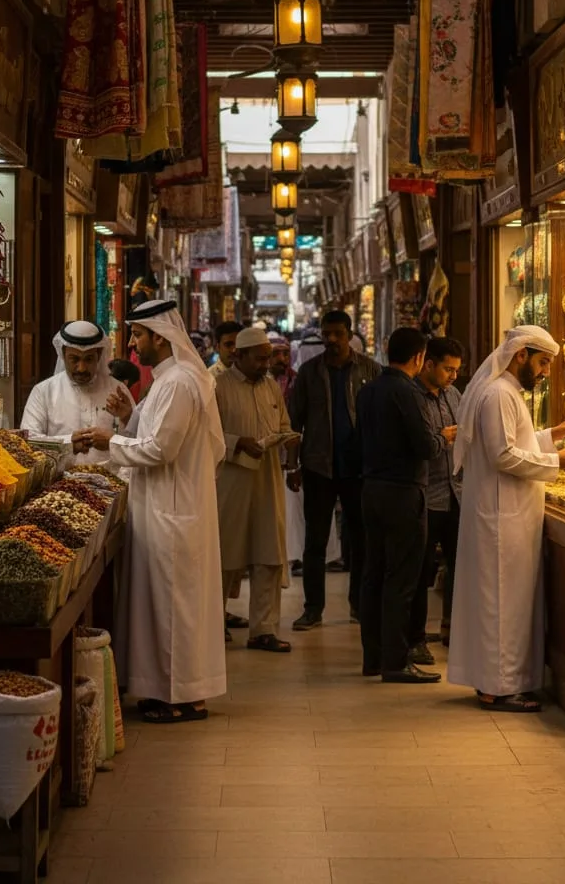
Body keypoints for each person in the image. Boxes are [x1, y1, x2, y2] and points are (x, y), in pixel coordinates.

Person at [86, 299, 228, 723]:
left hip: (172, 511)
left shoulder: (180, 382)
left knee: (172, 606)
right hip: (164, 507)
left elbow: (161, 449)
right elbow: (153, 432)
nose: (132, 344)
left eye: (137, 335)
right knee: (166, 604)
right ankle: (169, 691)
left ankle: (180, 698)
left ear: (160, 337)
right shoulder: (168, 380)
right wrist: (130, 416)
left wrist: (108, 441)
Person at [448, 326, 565, 713]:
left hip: (508, 515)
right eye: (542, 363)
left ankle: (500, 683)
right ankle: (499, 688)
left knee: (507, 601)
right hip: (500, 518)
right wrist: (556, 461)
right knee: (502, 602)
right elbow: (503, 455)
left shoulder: (506, 392)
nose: (545, 372)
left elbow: (516, 442)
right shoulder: (498, 394)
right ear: (520, 355)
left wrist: (553, 434)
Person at [356, 327, 441, 684]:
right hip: (404, 492)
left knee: (373, 573)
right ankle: (396, 661)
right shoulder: (408, 392)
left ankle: (373, 657)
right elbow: (426, 446)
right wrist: (442, 438)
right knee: (402, 578)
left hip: (372, 489)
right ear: (419, 358)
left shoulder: (368, 389)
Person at [288, 309, 381, 630]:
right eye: (326, 334)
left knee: (361, 540)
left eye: (337, 334)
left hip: (359, 469)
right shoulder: (310, 372)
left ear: (349, 335)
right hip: (319, 466)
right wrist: (292, 465)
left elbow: (380, 419)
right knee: (315, 542)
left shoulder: (370, 370)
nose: (331, 339)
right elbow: (294, 422)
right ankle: (313, 609)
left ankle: (359, 605)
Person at [215, 328, 296, 654]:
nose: (266, 364)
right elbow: (208, 434)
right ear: (240, 356)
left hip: (268, 477)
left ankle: (264, 630)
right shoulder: (218, 387)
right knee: (224, 554)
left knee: (269, 554)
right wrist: (237, 442)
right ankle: (214, 623)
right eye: (260, 359)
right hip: (230, 479)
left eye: (268, 358)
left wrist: (288, 439)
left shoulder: (271, 386)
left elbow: (284, 425)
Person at [410, 336, 464, 664]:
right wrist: (442, 438)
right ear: (427, 364)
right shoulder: (412, 397)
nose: (453, 376)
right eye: (448, 369)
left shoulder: (454, 395)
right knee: (421, 571)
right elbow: (418, 446)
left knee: (460, 566)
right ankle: (415, 638)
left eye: (456, 370)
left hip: (457, 494)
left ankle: (452, 629)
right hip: (427, 496)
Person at [20, 321, 133, 466]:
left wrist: (128, 419)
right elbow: (28, 440)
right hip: (60, 479)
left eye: (88, 359)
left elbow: (138, 442)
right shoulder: (43, 392)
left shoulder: (118, 391)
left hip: (113, 478)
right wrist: (68, 444)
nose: (81, 368)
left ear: (99, 355)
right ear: (63, 355)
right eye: (74, 359)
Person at [268, 331, 297, 404]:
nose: (282, 359)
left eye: (286, 354)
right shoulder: (257, 380)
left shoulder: (295, 379)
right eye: (275, 354)